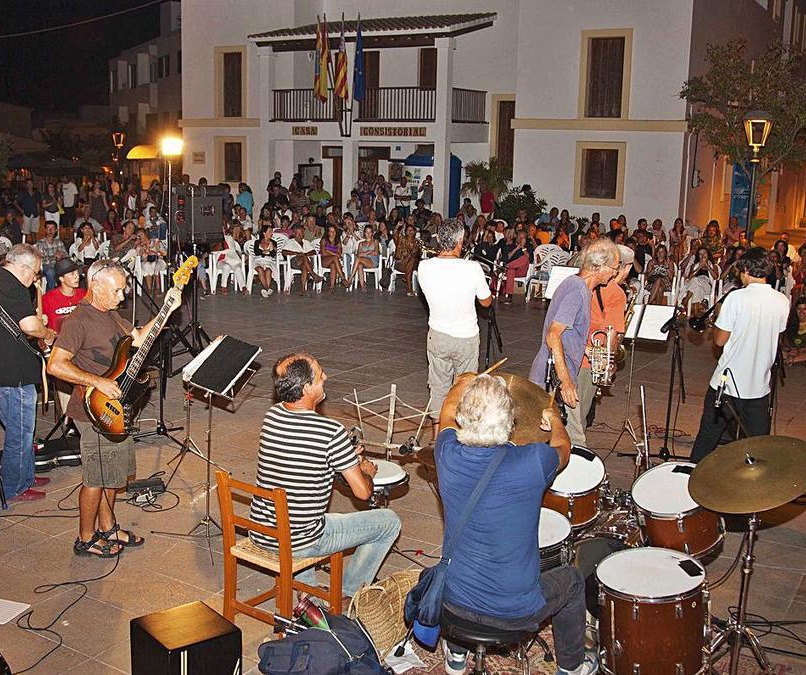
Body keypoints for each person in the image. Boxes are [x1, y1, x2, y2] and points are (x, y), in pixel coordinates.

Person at [435, 373, 593, 675]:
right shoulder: (532, 460)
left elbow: (445, 410)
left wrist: (466, 381)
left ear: (462, 417)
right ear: (510, 423)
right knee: (572, 580)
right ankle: (572, 668)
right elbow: (564, 448)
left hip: (453, 607)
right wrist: (555, 419)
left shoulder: (446, 453)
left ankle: (456, 654)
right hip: (515, 614)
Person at [248, 353, 402, 597]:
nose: (326, 377)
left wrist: (342, 455)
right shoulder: (330, 431)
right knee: (389, 521)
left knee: (298, 511)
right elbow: (363, 493)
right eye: (320, 375)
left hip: (263, 531)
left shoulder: (272, 415)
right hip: (300, 540)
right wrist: (364, 469)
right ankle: (349, 594)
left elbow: (299, 451)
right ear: (307, 387)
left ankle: (306, 593)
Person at [47, 259, 149, 557]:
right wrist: (97, 382)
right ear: (96, 286)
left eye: (123, 290)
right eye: (117, 290)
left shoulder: (111, 315)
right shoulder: (79, 320)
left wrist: (169, 306)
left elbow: (139, 338)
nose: (122, 296)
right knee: (95, 479)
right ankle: (86, 537)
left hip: (113, 410)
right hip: (91, 412)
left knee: (111, 475)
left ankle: (109, 527)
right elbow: (55, 365)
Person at [0, 244, 57, 505]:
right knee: (19, 433)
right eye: (35, 273)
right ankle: (14, 487)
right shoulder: (14, 287)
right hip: (12, 374)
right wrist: (48, 332)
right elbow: (30, 326)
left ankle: (26, 476)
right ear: (22, 267)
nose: (36, 279)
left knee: (20, 429)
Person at [690, 248, 790, 463]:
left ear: (745, 270)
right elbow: (776, 335)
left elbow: (719, 340)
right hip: (759, 385)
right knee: (757, 446)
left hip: (728, 384)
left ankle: (689, 482)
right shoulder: (782, 300)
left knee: (707, 438)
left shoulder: (736, 298)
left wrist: (718, 317)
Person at [529, 240, 619, 439]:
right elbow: (553, 334)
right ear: (598, 267)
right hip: (556, 377)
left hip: (555, 373)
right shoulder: (578, 292)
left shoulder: (576, 284)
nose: (615, 273)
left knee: (555, 438)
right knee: (575, 440)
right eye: (613, 268)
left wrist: (589, 351)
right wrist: (566, 381)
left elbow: (568, 334)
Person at [418, 221, 493, 419]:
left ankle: (437, 441)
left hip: (438, 335)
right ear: (460, 241)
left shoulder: (424, 266)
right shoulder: (472, 268)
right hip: (465, 338)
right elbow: (486, 302)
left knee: (438, 389)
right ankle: (461, 437)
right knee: (465, 389)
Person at [572, 245, 634, 447]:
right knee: (577, 420)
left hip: (573, 351)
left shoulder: (587, 282)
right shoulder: (616, 293)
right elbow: (612, 336)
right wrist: (611, 360)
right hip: (590, 358)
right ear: (624, 268)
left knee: (571, 413)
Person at [35, 221, 67, 290]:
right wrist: (54, 257)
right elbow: (41, 259)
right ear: (45, 230)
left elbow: (66, 255)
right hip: (46, 266)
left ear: (56, 230)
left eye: (52, 228)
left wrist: (61, 256)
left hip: (59, 265)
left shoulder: (59, 243)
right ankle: (53, 292)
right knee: (50, 272)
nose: (50, 230)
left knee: (69, 270)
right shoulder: (40, 243)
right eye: (48, 228)